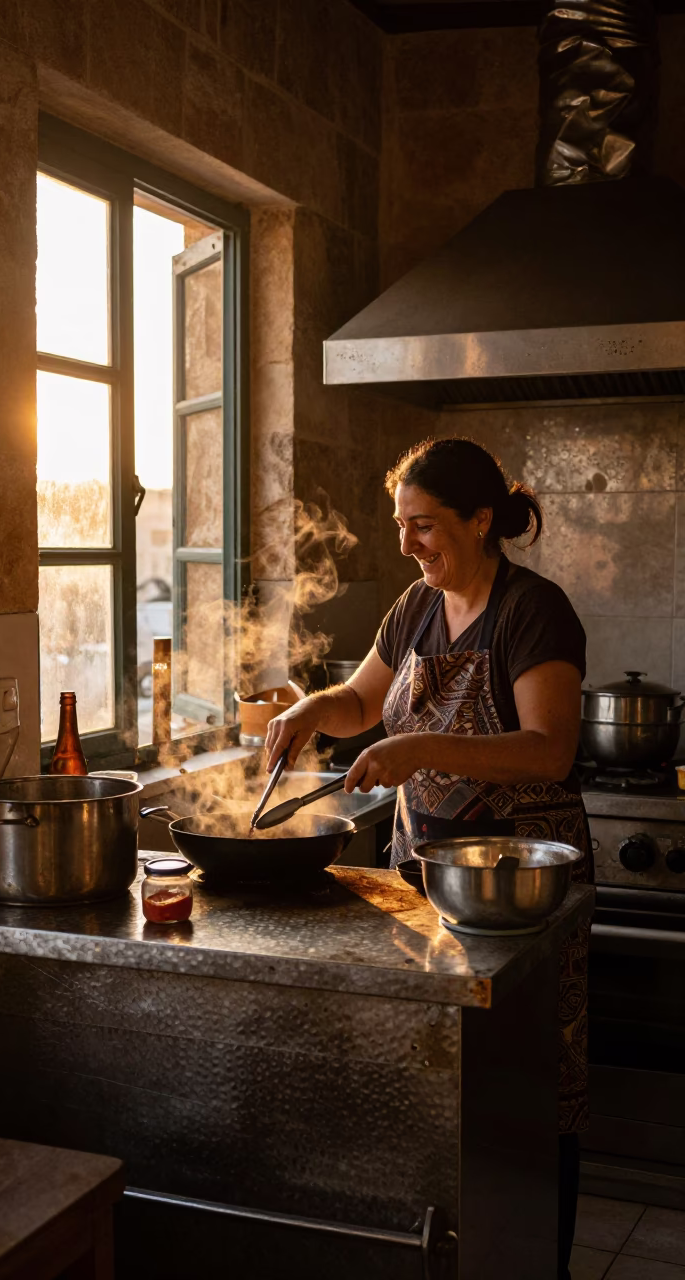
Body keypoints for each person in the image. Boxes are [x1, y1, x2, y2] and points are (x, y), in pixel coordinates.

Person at [265, 437, 592, 1279]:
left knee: (531, 1085)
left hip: (523, 893)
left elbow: (548, 750)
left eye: (426, 526)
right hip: (428, 885)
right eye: (401, 526)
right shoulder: (415, 605)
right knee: (441, 1082)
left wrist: (415, 748)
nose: (409, 545)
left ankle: (534, 1263)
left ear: (483, 521)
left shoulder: (533, 611)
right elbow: (360, 704)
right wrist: (311, 709)